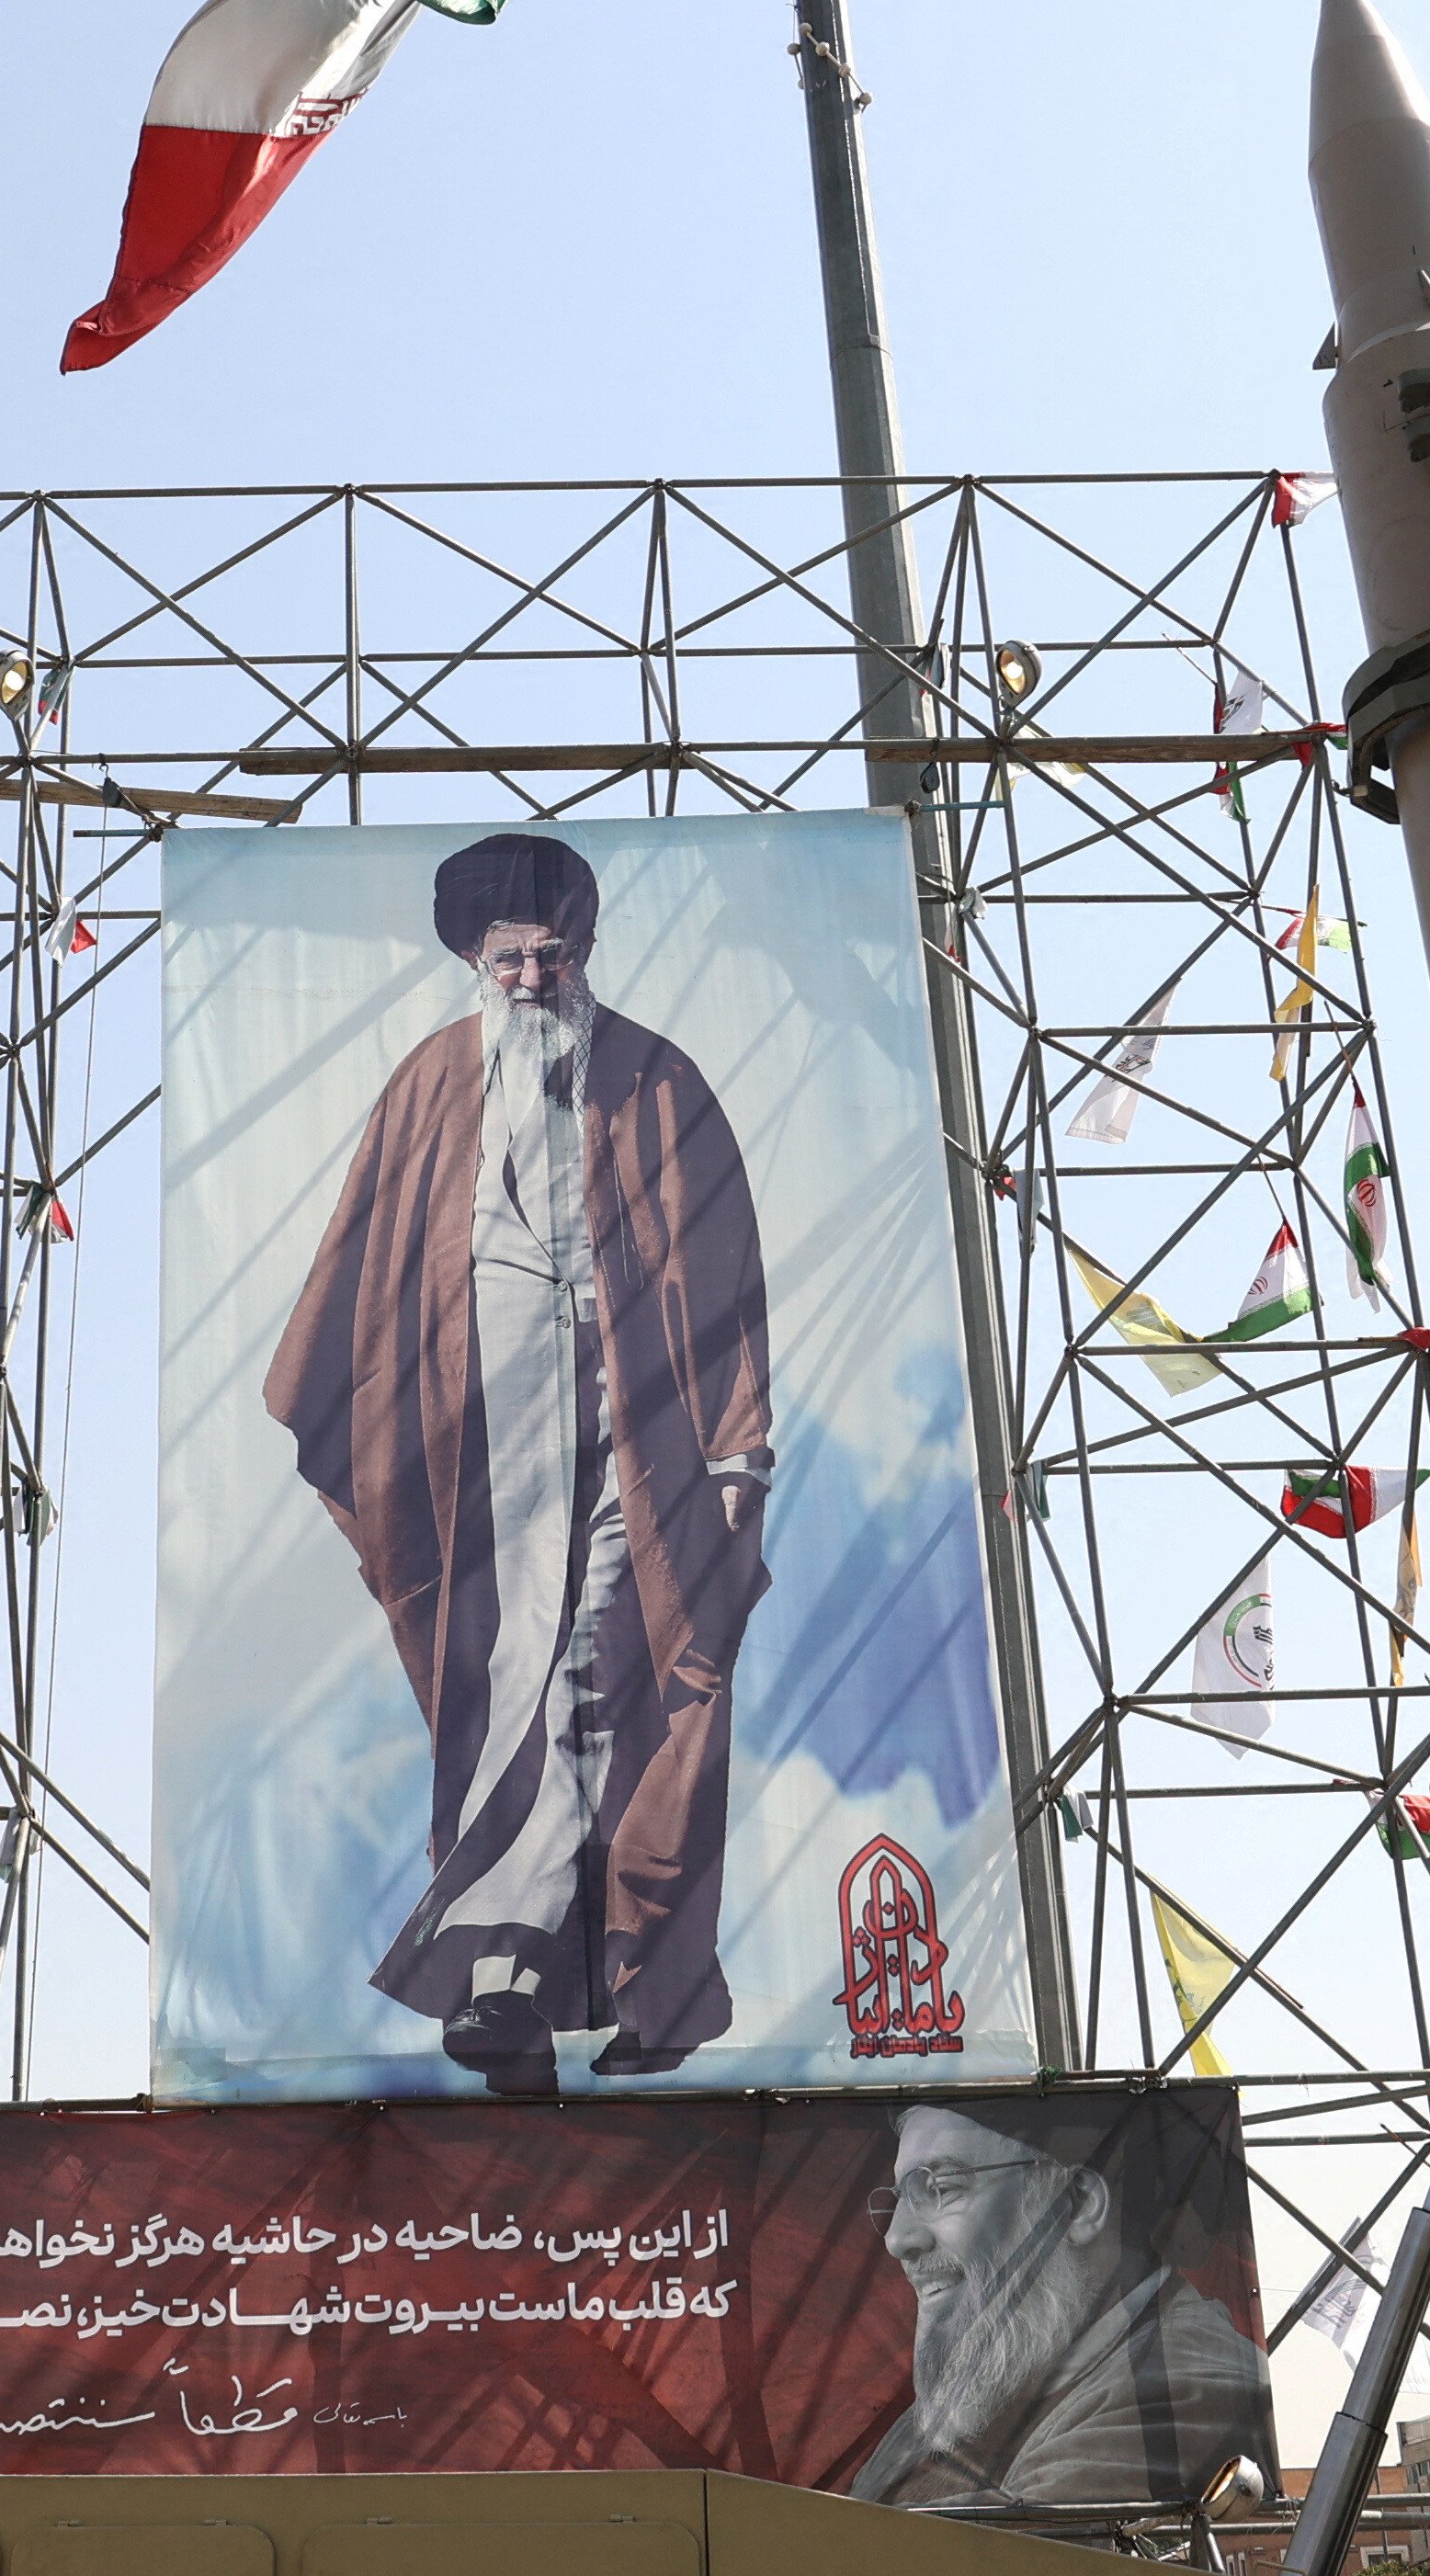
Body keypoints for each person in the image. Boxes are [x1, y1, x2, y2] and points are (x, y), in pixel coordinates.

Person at [265, 832, 774, 2092]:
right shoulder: (432, 1083)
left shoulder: (659, 1082)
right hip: (475, 1450)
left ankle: (503, 1971)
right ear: (474, 965)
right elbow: (362, 1281)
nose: (532, 977)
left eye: (551, 954)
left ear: (582, 953)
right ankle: (532, 2000)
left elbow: (728, 1287)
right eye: (508, 959)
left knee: (599, 1676)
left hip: (631, 1447)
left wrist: (738, 1451)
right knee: (506, 1691)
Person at [849, 2100, 1276, 2512]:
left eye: (940, 2188)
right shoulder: (979, 2386)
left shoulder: (1191, 2386)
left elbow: (1023, 2552)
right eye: (903, 2195)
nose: (897, 2239)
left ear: (1077, 2205)